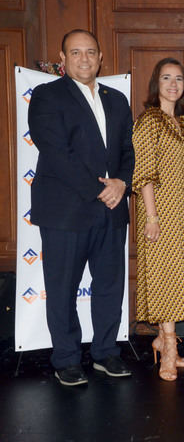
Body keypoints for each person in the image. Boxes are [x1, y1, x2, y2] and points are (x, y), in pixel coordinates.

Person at [28, 29, 134, 386]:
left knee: (109, 288)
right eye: (76, 53)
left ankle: (106, 353)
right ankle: (67, 359)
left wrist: (121, 182)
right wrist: (98, 190)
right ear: (63, 58)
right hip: (66, 212)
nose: (84, 59)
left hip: (113, 208)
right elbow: (56, 152)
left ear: (101, 57)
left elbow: (127, 151)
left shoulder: (117, 99)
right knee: (62, 289)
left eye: (91, 52)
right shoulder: (46, 96)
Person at [132, 58, 184, 381]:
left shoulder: (183, 123)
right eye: (166, 78)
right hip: (158, 211)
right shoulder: (150, 121)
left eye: (179, 79)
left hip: (181, 212)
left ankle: (162, 336)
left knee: (173, 275)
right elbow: (143, 173)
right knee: (164, 277)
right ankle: (169, 349)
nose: (173, 84)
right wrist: (152, 217)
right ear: (156, 83)